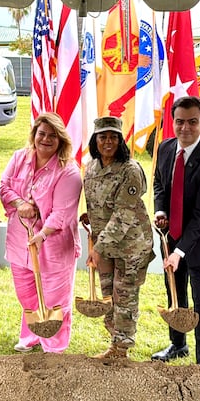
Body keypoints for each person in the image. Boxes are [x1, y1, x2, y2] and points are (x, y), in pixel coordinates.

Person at [0, 112, 82, 353]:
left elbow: (62, 213)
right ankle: (31, 335)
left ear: (61, 139)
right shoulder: (19, 158)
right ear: (34, 134)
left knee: (55, 299)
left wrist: (42, 234)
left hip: (53, 245)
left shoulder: (68, 171)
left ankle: (54, 346)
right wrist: (19, 203)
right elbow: (4, 187)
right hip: (20, 242)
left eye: (52, 136)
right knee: (26, 295)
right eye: (41, 133)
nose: (45, 139)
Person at [152, 96, 200, 366]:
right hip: (170, 238)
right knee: (174, 292)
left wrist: (180, 251)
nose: (185, 128)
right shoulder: (165, 148)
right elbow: (159, 183)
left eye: (193, 122)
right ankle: (178, 344)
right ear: (172, 122)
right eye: (179, 121)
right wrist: (161, 211)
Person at [82, 116, 155, 360]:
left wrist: (98, 248)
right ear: (95, 140)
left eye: (113, 137)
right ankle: (114, 341)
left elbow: (124, 213)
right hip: (105, 245)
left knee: (124, 297)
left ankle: (121, 349)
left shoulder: (130, 170)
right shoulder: (91, 167)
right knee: (108, 295)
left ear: (121, 140)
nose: (108, 142)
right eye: (102, 137)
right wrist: (91, 215)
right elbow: (100, 202)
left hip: (130, 245)